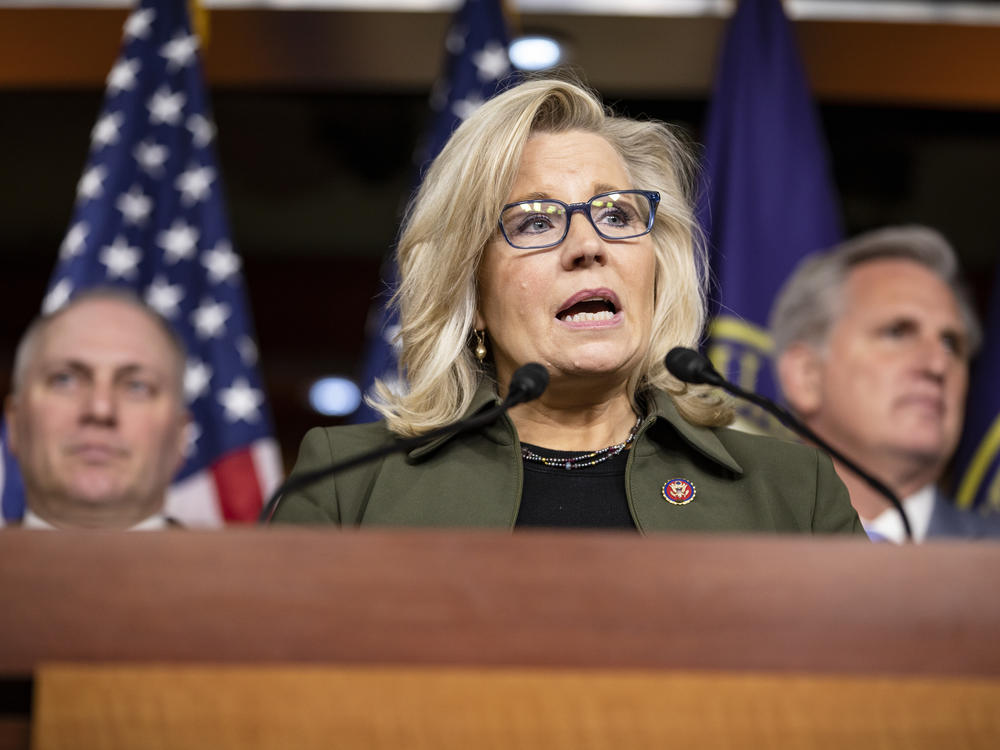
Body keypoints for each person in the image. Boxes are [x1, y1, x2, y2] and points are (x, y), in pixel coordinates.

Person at [274, 77, 861, 534]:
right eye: (534, 221)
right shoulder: (349, 485)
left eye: (616, 215)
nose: (589, 246)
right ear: (471, 294)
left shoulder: (792, 492)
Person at [769, 226, 1000, 542]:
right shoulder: (718, 545)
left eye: (952, 344)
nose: (938, 365)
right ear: (806, 375)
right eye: (897, 332)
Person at [4, 289, 190, 529]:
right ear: (14, 424)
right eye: (64, 380)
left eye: (136, 387)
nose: (100, 409)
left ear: (181, 436)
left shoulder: (245, 568)